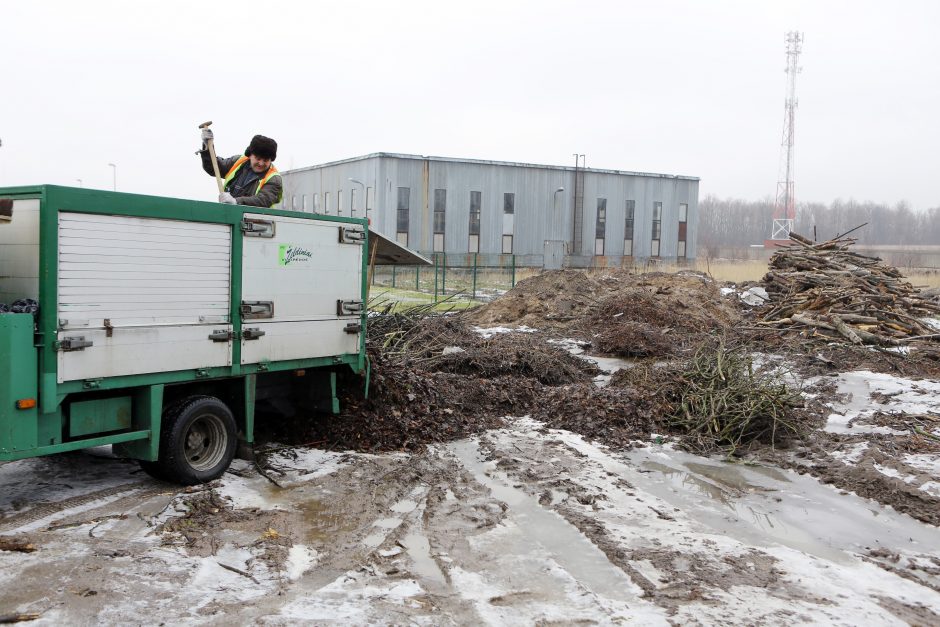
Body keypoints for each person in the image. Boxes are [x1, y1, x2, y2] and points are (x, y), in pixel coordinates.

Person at [198, 130, 284, 207]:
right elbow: (213, 168)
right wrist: (207, 147)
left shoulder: (274, 178)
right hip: (229, 215)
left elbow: (263, 200)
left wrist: (236, 201)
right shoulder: (238, 162)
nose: (261, 163)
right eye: (258, 159)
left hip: (258, 221)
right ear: (250, 155)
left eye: (265, 160)